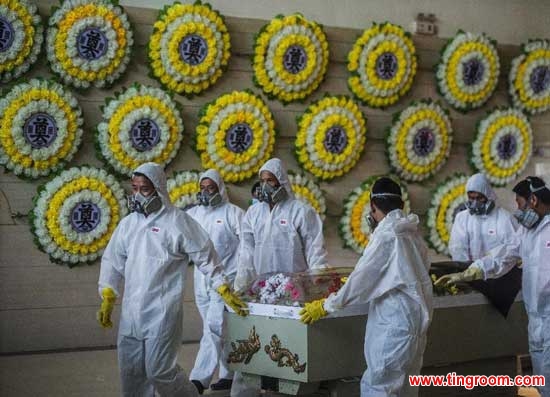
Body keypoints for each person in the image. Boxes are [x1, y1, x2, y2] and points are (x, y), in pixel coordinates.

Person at [96, 162, 247, 397]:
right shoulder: (128, 224)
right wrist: (108, 292)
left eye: (144, 189)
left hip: (162, 311)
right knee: (131, 372)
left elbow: (205, 254)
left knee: (159, 371)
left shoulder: (177, 221)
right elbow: (113, 260)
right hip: (131, 312)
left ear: (158, 188)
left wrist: (222, 286)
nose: (137, 195)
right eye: (134, 188)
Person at [300, 177, 433, 397]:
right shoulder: (411, 231)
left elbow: (362, 279)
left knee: (379, 387)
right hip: (413, 326)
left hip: (393, 327)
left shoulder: (387, 235)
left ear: (373, 206)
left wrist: (327, 305)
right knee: (406, 389)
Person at [437, 176, 550, 397]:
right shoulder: (529, 230)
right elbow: (505, 254)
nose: (517, 210)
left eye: (519, 203)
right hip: (536, 318)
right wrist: (471, 271)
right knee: (543, 380)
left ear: (533, 200)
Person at [231, 157, 329, 397]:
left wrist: (317, 283)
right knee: (251, 348)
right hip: (259, 294)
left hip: (294, 294)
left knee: (289, 347)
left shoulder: (301, 212)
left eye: (270, 181)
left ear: (282, 182)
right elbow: (246, 254)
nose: (265, 186)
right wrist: (240, 287)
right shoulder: (252, 214)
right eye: (262, 181)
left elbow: (316, 249)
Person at [186, 169, 244, 394]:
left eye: (211, 188)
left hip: (226, 282)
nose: (206, 192)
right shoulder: (193, 215)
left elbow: (248, 245)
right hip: (200, 281)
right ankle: (228, 374)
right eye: (203, 188)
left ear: (220, 188)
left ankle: (199, 380)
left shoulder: (233, 213)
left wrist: (241, 277)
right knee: (217, 331)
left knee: (214, 328)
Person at [447, 173, 519, 281]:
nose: (475, 203)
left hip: (500, 276)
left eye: (479, 198)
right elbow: (457, 247)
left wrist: (484, 267)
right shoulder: (462, 218)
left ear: (488, 196)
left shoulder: (504, 218)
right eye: (471, 198)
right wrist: (466, 271)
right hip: (469, 275)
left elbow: (511, 249)